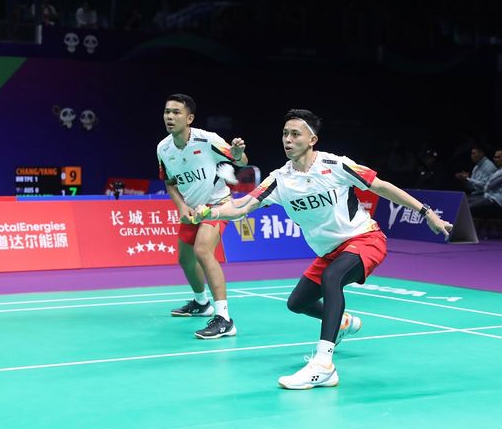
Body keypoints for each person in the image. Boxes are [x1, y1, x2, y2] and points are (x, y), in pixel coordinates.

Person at [194, 109, 452, 389]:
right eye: (284, 134)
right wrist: (209, 212)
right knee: (297, 303)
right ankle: (342, 322)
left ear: (312, 139)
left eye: (295, 134)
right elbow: (241, 206)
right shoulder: (279, 179)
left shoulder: (336, 165)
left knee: (332, 278)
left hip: (364, 239)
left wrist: (427, 212)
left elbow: (382, 187)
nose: (287, 139)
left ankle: (323, 364)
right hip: (329, 252)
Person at [157, 93, 248, 339]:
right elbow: (170, 182)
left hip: (217, 204)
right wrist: (181, 207)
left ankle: (224, 319)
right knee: (185, 259)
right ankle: (201, 303)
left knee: (202, 251)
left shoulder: (207, 140)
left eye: (176, 112)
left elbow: (240, 160)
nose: (170, 116)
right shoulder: (163, 148)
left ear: (190, 118)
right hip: (192, 210)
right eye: (167, 111)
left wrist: (237, 152)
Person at [467, 148, 502, 216]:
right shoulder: (501, 168)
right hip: (488, 196)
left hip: (496, 200)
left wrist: (486, 186)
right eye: (495, 157)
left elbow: (489, 184)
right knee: (464, 201)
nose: (496, 159)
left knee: (468, 207)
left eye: (499, 157)